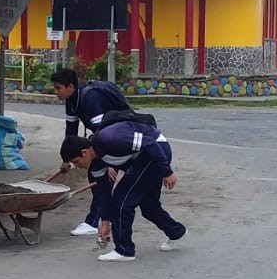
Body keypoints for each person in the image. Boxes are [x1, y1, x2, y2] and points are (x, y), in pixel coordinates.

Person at [59, 120, 185, 262]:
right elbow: (104, 192)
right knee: (148, 206)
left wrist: (167, 172)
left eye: (76, 162)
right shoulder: (95, 164)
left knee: (121, 201)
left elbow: (150, 143)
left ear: (84, 152)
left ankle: (124, 250)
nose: (77, 166)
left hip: (156, 150)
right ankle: (176, 232)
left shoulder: (110, 139)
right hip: (141, 159)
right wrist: (105, 221)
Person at [51, 68, 133, 237]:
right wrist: (67, 159)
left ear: (70, 86)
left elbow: (103, 130)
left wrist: (109, 163)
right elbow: (71, 132)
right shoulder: (71, 101)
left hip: (119, 138)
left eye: (58, 88)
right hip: (106, 137)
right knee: (97, 174)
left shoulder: (90, 98)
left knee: (101, 176)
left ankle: (94, 222)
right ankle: (103, 218)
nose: (56, 92)